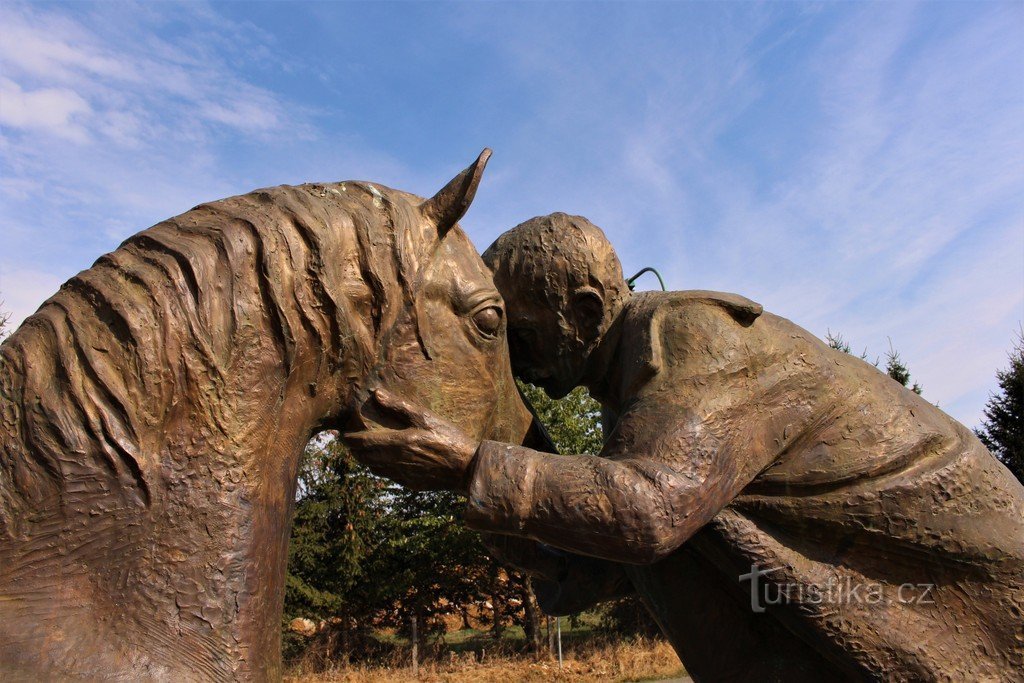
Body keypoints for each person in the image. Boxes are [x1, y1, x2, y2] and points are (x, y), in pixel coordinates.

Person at [345, 213, 1024, 681]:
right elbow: (587, 572)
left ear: (582, 311)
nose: (516, 365)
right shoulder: (639, 409)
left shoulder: (696, 340)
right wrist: (461, 479)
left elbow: (646, 512)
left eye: (518, 335)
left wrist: (475, 465)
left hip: (981, 594)